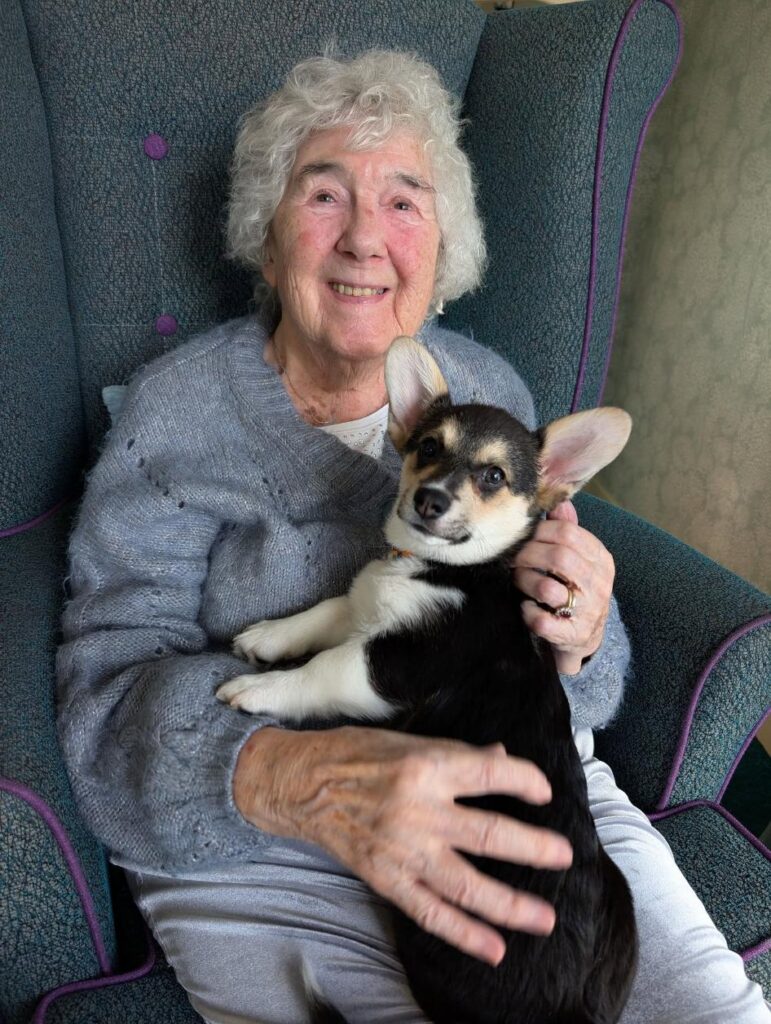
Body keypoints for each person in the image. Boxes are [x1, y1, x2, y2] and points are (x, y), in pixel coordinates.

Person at [57, 50, 769, 1024]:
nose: (363, 238)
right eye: (323, 195)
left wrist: (586, 633)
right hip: (262, 822)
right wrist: (288, 775)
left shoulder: (496, 395)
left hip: (526, 794)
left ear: (445, 250)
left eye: (404, 201)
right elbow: (101, 706)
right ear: (267, 239)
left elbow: (569, 688)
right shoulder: (171, 417)